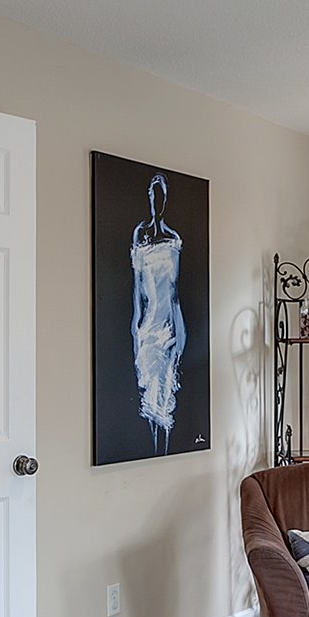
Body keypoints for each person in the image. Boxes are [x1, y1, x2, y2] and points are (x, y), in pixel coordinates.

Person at [130, 172, 185, 452]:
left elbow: (174, 293)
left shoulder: (174, 239)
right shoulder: (140, 235)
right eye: (154, 194)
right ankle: (152, 452)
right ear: (150, 198)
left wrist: (181, 330)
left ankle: (162, 452)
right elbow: (138, 290)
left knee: (165, 393)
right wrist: (136, 329)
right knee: (148, 393)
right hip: (147, 326)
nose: (158, 200)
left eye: (162, 195)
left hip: (168, 326)